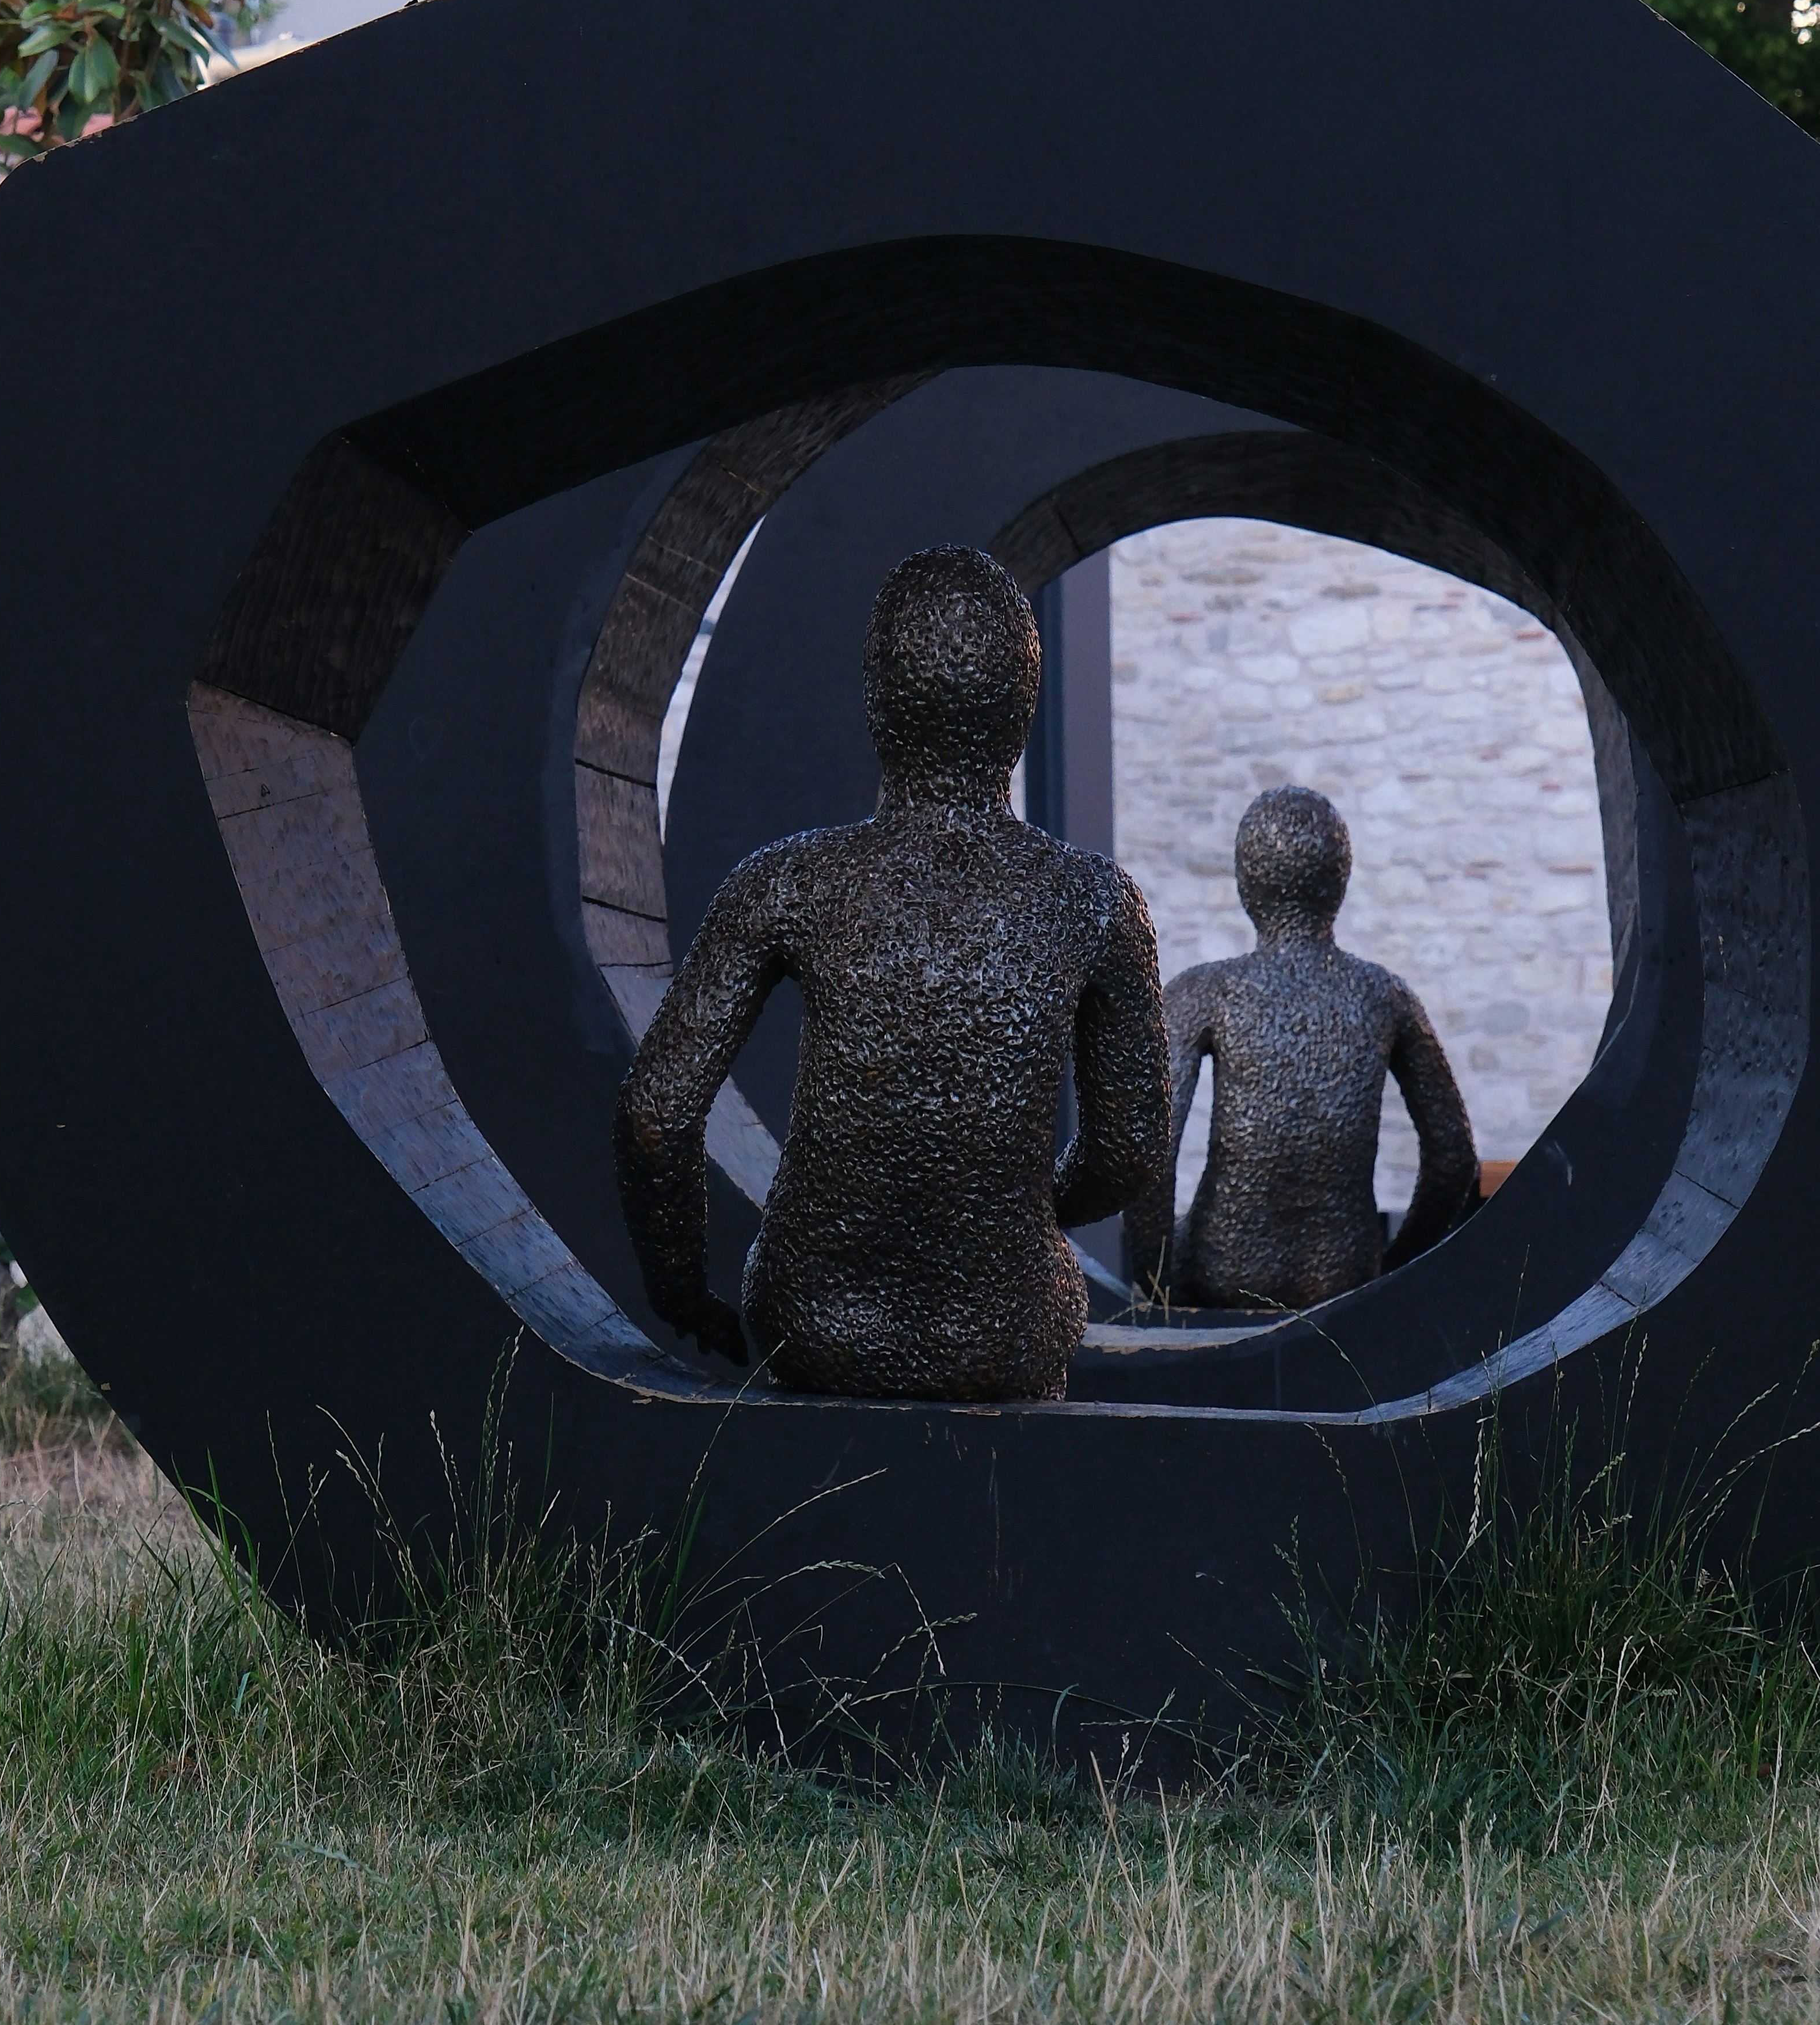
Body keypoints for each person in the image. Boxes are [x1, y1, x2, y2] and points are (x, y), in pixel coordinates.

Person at [616, 545, 1170, 1400]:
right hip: (1007, 1327)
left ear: (876, 702)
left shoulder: (787, 881)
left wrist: (681, 1294)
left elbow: (658, 1117)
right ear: (1023, 709)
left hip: (816, 1325)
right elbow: (1130, 1152)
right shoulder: (1095, 902)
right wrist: (1024, 1209)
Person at [1123, 785, 1478, 1314]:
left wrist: (1159, 1286)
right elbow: (1453, 1159)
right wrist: (1393, 1267)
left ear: (1246, 883)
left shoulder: (1206, 992)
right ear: (1340, 881)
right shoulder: (1386, 996)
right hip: (1344, 1275)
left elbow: (1150, 1152)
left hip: (1224, 1272)